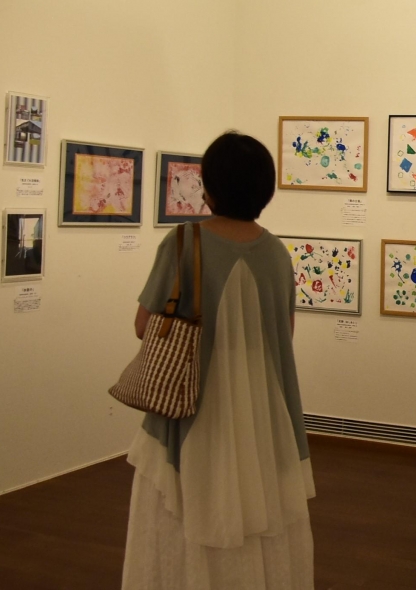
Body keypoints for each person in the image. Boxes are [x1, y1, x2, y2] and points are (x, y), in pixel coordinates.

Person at [121, 131, 315, 590]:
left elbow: (144, 326)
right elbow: (283, 336)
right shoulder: (277, 253)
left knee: (185, 510)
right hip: (261, 412)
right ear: (265, 188)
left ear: (209, 187)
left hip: (191, 406)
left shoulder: (183, 242)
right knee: (260, 508)